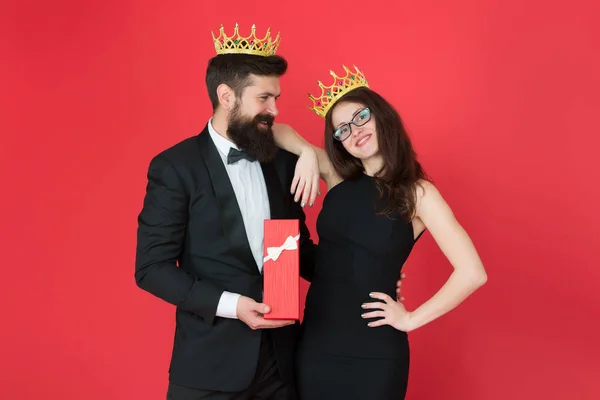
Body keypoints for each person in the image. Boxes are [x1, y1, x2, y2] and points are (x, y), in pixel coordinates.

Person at [272, 65, 488, 400]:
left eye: (360, 117)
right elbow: (276, 131)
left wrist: (412, 319)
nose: (354, 131)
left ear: (381, 115)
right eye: (341, 129)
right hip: (315, 344)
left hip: (375, 354)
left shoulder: (418, 194)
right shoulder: (337, 176)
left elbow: (473, 272)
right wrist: (305, 154)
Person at [134, 23, 321, 399]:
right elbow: (151, 269)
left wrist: (368, 276)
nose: (275, 109)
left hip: (281, 367)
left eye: (276, 98)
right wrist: (234, 306)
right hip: (209, 369)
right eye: (264, 98)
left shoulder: (282, 162)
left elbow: (298, 250)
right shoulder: (175, 167)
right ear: (227, 96)